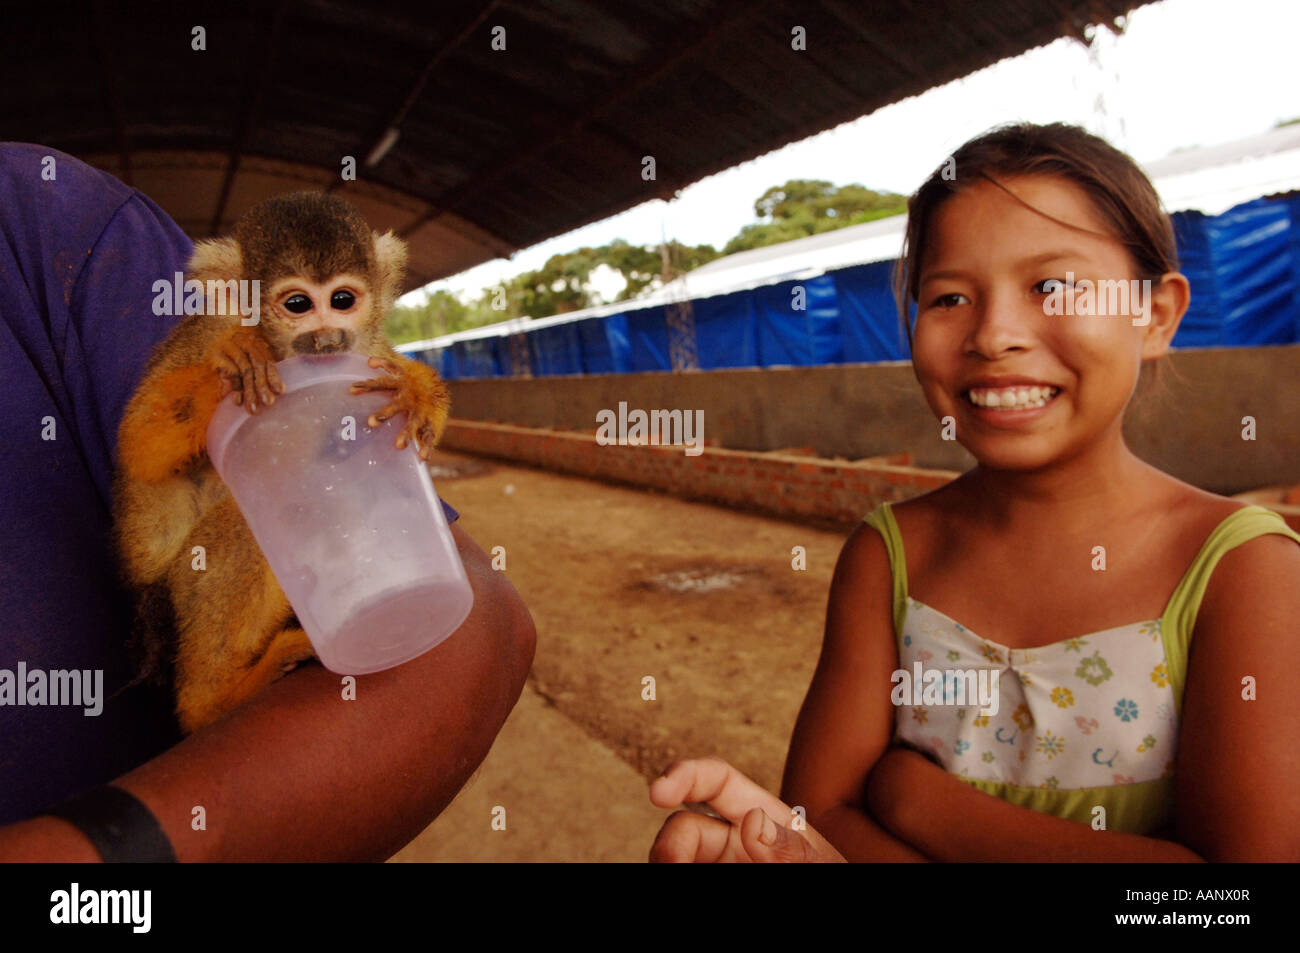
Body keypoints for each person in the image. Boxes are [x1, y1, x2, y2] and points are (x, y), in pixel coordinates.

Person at [650, 122, 1300, 862]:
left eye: (1051, 285)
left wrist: (918, 798)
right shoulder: (888, 559)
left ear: (1155, 314)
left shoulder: (1241, 571)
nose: (994, 333)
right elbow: (821, 817)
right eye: (951, 296)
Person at [0, 143, 536, 861]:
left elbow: (403, 435)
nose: (325, 328)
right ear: (238, 293)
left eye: (344, 300)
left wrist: (418, 398)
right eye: (296, 304)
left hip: (271, 562)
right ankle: (217, 684)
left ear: (378, 287)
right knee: (275, 505)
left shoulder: (354, 358)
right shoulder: (219, 341)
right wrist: (216, 389)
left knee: (317, 493)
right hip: (182, 559)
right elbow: (149, 452)